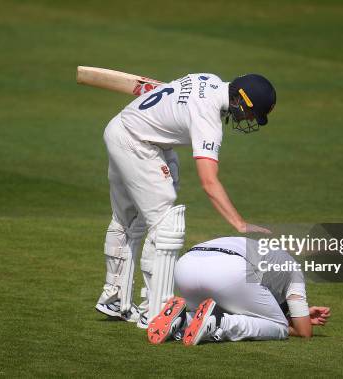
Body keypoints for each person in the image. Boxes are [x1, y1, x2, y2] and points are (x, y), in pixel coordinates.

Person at [95, 73, 277, 328]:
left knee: (128, 220)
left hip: (122, 129)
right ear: (238, 101)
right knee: (165, 226)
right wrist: (239, 223)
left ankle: (114, 297)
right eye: (250, 113)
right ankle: (155, 310)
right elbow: (209, 182)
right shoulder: (208, 118)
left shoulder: (209, 79)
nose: (248, 119)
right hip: (137, 143)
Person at [147, 237, 331, 345]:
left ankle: (182, 319)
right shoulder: (294, 270)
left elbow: (238, 303)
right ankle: (219, 324)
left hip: (185, 265)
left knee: (205, 312)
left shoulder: (270, 256)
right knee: (279, 327)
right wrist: (297, 320)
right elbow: (304, 332)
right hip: (228, 268)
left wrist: (298, 317)